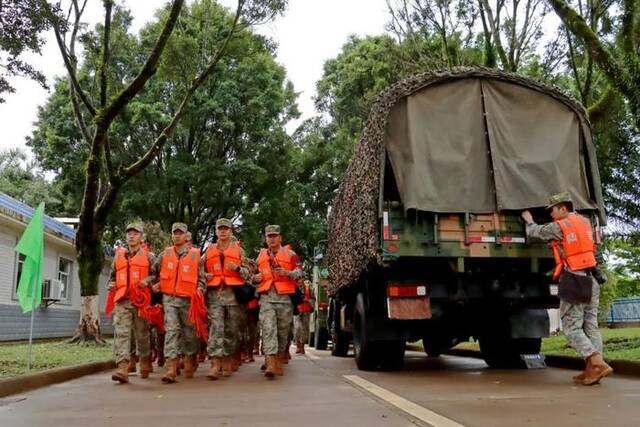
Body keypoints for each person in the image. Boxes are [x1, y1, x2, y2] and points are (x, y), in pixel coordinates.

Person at [522, 192, 613, 385]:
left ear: (563, 208)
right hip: (592, 277)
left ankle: (596, 362)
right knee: (591, 325)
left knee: (571, 327)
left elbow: (535, 233)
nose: (551, 214)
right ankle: (593, 368)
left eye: (553, 210)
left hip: (574, 278)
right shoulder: (584, 221)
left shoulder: (560, 225)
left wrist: (529, 220)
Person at [147, 222, 206, 383]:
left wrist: (200, 290)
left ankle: (189, 358)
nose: (177, 235)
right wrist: (154, 283)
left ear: (186, 236)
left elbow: (202, 280)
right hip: (170, 299)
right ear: (172, 235)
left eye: (181, 233)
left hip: (188, 301)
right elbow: (153, 272)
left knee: (190, 334)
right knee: (171, 331)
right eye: (175, 233)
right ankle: (171, 367)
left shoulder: (195, 256)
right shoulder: (164, 255)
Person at [202, 218, 253, 380]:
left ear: (231, 231)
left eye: (226, 229)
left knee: (232, 330)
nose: (223, 231)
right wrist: (205, 275)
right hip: (215, 296)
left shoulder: (239, 251)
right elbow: (197, 271)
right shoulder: (208, 252)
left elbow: (249, 273)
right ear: (216, 231)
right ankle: (215, 363)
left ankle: (227, 359)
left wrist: (237, 269)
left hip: (233, 297)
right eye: (220, 229)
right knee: (216, 328)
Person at [253, 225, 303, 378]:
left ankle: (279, 358)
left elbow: (300, 272)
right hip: (267, 297)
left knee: (283, 332)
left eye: (275, 236)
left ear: (280, 238)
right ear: (266, 239)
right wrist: (255, 278)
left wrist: (287, 273)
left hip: (285, 299)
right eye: (269, 236)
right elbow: (252, 275)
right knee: (268, 329)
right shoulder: (260, 257)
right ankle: (270, 362)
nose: (272, 238)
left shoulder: (291, 254)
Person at [108, 223, 155, 383]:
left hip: (141, 300)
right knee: (122, 334)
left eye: (135, 233)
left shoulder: (149, 256)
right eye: (129, 233)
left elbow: (157, 275)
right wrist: (112, 284)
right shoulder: (118, 255)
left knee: (142, 334)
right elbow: (112, 276)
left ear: (141, 237)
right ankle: (122, 367)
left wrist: (147, 280)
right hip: (122, 300)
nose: (132, 236)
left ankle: (145, 360)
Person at [294, 280, 314, 355]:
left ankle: (302, 347)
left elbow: (313, 299)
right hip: (297, 311)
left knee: (305, 329)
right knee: (297, 328)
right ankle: (298, 346)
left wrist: (308, 301)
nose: (299, 281)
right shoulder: (294, 287)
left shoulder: (308, 288)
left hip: (306, 311)